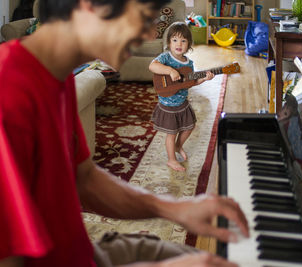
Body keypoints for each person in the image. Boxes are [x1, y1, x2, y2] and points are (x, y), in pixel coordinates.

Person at [0, 0, 249, 267]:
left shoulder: (57, 76)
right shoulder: (10, 95)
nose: (151, 34)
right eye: (144, 18)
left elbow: (85, 177)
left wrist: (173, 208)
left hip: (82, 252)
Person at [149, 22, 215, 172]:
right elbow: (152, 66)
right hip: (168, 104)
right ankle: (171, 160)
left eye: (183, 41)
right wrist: (169, 71)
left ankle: (179, 146)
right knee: (171, 133)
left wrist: (204, 78)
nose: (179, 44)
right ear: (169, 43)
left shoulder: (189, 63)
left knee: (189, 126)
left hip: (182, 102)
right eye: (175, 40)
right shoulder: (166, 57)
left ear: (189, 44)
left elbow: (191, 82)